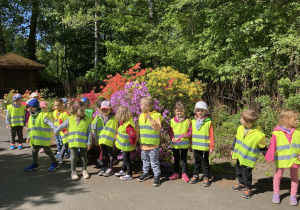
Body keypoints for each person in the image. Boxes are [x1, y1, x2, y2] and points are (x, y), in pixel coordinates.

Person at [265, 110, 300, 206]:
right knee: (278, 176)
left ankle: (293, 195)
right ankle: (276, 193)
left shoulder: (297, 132)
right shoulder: (277, 133)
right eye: (295, 119)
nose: (297, 121)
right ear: (286, 120)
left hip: (295, 159)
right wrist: (270, 157)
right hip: (281, 159)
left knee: (295, 177)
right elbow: (272, 146)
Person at [231, 109, 267, 199]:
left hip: (248, 158)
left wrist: (267, 156)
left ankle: (248, 188)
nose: (239, 120)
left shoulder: (258, 135)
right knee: (238, 171)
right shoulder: (240, 128)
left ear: (247, 123)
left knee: (246, 174)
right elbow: (236, 139)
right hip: (239, 155)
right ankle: (241, 183)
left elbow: (263, 147)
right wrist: (232, 148)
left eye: (241, 119)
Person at [54, 101, 92, 180]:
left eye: (84, 110)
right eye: (81, 110)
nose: (83, 112)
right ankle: (73, 172)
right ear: (75, 110)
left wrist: (89, 142)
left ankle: (84, 170)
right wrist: (56, 131)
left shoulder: (87, 120)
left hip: (83, 142)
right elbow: (61, 126)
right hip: (73, 141)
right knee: (73, 157)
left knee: (83, 157)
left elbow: (89, 132)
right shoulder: (70, 119)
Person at [25, 99, 60, 172]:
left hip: (43, 138)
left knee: (48, 151)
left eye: (28, 106)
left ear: (34, 107)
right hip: (35, 139)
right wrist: (29, 136)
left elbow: (50, 123)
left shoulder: (43, 115)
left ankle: (55, 162)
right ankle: (35, 164)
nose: (27, 108)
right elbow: (30, 128)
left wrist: (56, 129)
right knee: (34, 151)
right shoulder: (31, 116)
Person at [137, 96, 163, 187]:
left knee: (154, 161)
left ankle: (156, 175)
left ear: (147, 106)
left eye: (141, 105)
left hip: (153, 144)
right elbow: (138, 128)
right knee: (145, 160)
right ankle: (145, 173)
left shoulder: (157, 115)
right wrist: (137, 139)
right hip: (143, 144)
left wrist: (150, 118)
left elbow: (157, 128)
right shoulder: (140, 116)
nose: (140, 106)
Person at [189, 101, 215, 187]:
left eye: (202, 110)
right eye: (198, 110)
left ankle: (206, 176)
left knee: (205, 163)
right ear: (195, 111)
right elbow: (191, 134)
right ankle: (196, 175)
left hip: (204, 148)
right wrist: (190, 144)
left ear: (206, 112)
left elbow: (211, 135)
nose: (200, 112)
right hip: (196, 147)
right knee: (196, 162)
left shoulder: (208, 122)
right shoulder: (193, 121)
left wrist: (211, 146)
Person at [168, 101, 192, 182]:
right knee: (176, 159)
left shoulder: (188, 120)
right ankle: (176, 172)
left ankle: (184, 173)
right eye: (178, 111)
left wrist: (187, 135)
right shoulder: (172, 121)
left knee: (184, 159)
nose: (179, 112)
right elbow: (170, 131)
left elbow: (190, 131)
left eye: (181, 111)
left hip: (184, 145)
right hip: (175, 145)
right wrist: (172, 138)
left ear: (184, 110)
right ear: (175, 111)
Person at [114, 106, 137, 180]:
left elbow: (132, 135)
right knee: (125, 158)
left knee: (127, 159)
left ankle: (129, 174)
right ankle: (123, 170)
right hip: (124, 146)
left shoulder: (128, 125)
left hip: (127, 146)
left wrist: (133, 143)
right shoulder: (123, 122)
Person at [97, 100, 117, 177]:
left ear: (110, 109)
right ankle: (104, 167)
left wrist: (116, 138)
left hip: (110, 140)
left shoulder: (114, 118)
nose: (104, 110)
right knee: (104, 154)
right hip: (102, 140)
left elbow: (117, 128)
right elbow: (94, 127)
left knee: (110, 154)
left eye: (106, 109)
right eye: (103, 109)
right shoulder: (98, 117)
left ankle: (110, 168)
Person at [91, 99, 105, 168]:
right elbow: (93, 128)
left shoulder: (109, 117)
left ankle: (101, 160)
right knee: (102, 150)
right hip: (100, 138)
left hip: (107, 138)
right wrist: (95, 139)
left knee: (104, 150)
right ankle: (101, 160)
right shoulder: (97, 117)